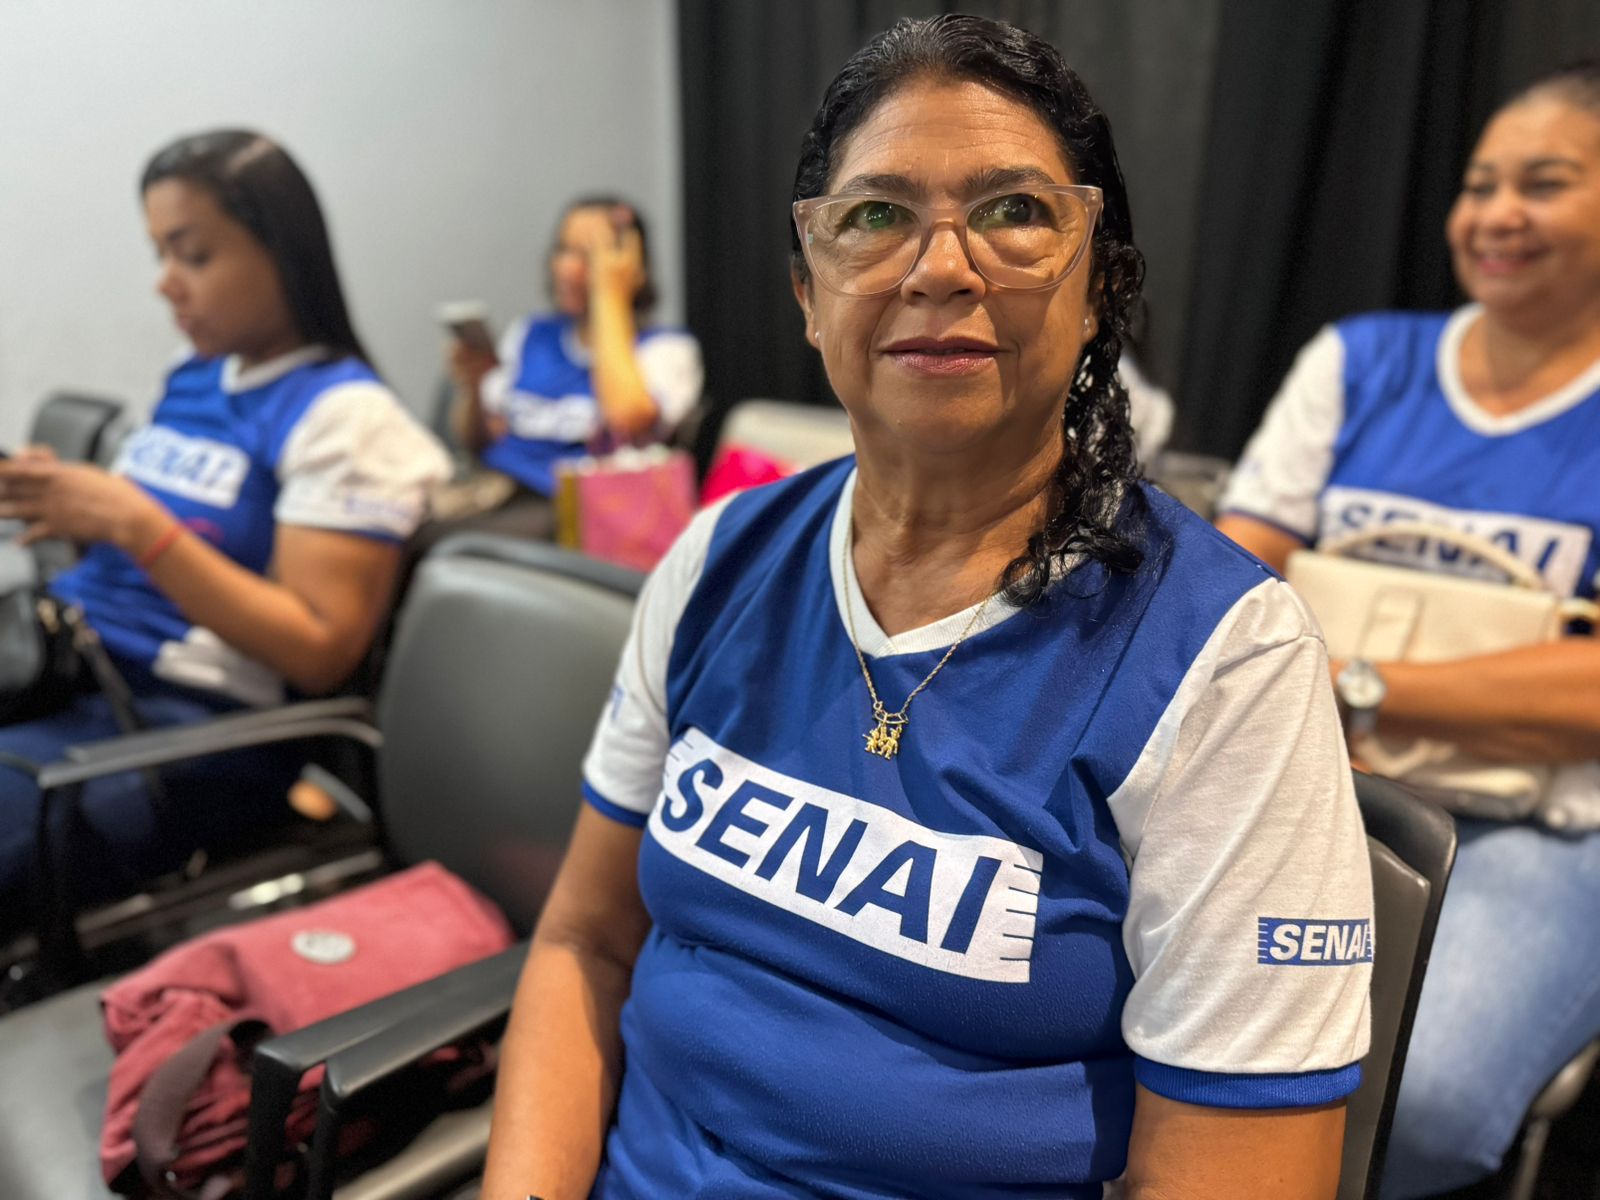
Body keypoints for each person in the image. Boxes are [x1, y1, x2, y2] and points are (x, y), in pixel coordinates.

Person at [483, 15, 1372, 1200]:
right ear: (808, 295)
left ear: (1098, 289)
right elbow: (584, 941)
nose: (939, 268)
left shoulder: (1223, 659)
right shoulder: (719, 559)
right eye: (875, 215)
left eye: (1013, 211)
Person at [1216, 60, 1600, 1199]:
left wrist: (1354, 683)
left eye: (1543, 184)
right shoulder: (1359, 361)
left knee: (1414, 1100)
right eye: (1479, 185)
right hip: (1312, 783)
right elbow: (1230, 592)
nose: (1496, 214)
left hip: (1547, 825)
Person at [0, 130, 449, 915]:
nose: (166, 284)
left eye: (194, 255)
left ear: (282, 252)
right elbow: (155, 560)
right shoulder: (194, 378)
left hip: (173, 731)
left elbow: (318, 649)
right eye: (160, 255)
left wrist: (135, 523)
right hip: (64, 668)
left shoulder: (345, 420)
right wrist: (75, 511)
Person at [427, 196, 702, 546]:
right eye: (562, 250)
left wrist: (610, 294)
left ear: (632, 268)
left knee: (439, 546)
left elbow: (628, 418)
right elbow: (478, 443)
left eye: (588, 255)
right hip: (495, 489)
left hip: (576, 510)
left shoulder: (665, 348)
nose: (566, 269)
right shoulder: (531, 333)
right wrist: (473, 386)